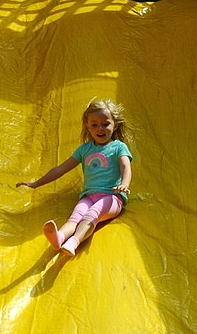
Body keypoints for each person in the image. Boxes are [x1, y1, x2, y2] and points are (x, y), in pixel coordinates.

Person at [16, 98, 133, 256]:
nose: (100, 129)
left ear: (115, 124)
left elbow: (125, 166)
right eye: (94, 125)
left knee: (93, 214)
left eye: (105, 124)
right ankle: (60, 237)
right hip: (89, 196)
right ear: (87, 126)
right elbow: (60, 169)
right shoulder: (84, 149)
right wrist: (36, 183)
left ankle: (74, 241)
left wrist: (124, 184)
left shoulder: (118, 147)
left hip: (112, 197)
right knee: (76, 216)